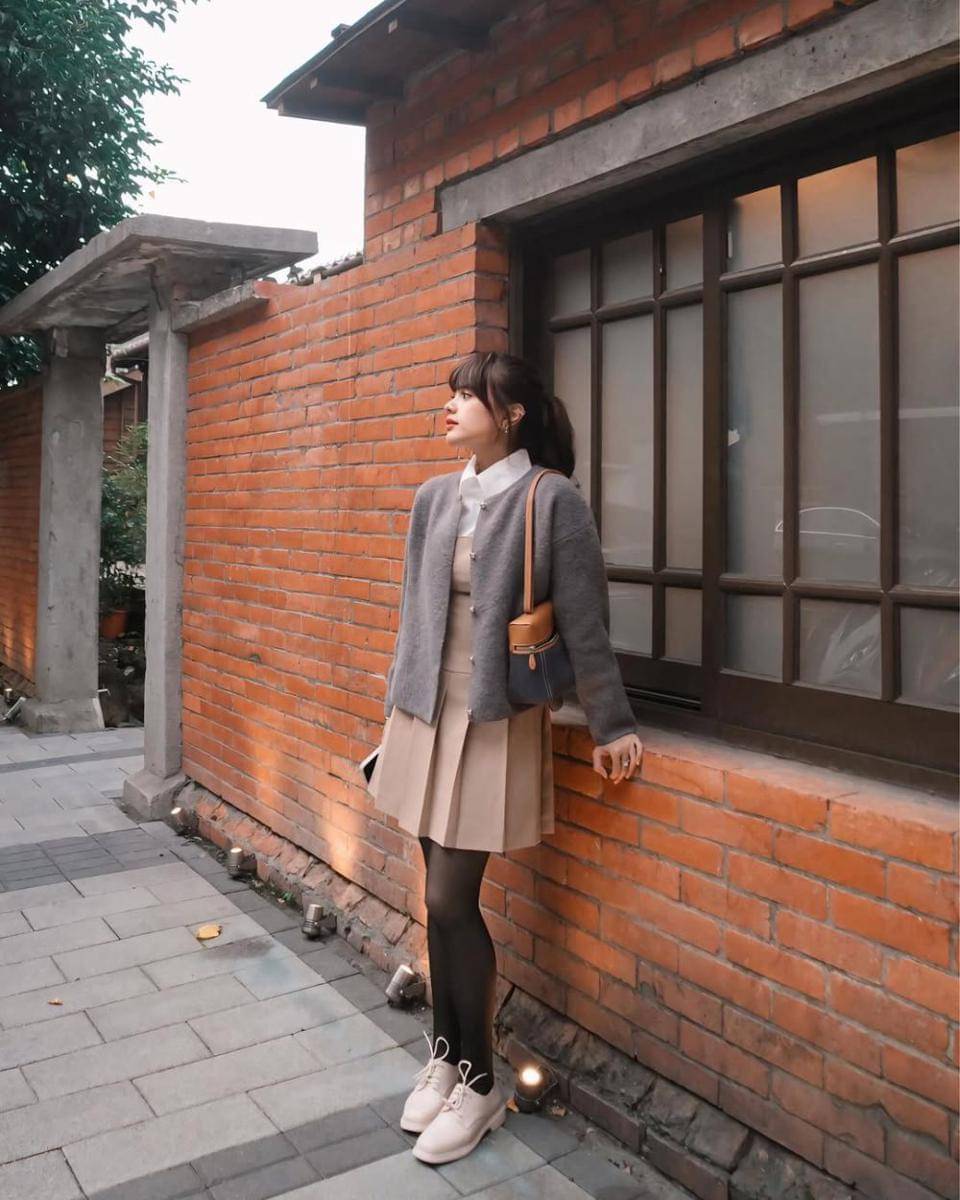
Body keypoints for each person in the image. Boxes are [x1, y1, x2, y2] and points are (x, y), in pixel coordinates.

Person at [366, 350, 644, 1165]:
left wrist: (610, 723)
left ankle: (483, 1085)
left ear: (512, 413)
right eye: (449, 394)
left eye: (467, 395)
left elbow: (585, 620)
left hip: (492, 718)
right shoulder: (434, 496)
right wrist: (393, 714)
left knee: (451, 898)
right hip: (423, 714)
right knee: (436, 901)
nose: (449, 406)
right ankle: (447, 1057)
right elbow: (413, 617)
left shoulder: (550, 500)